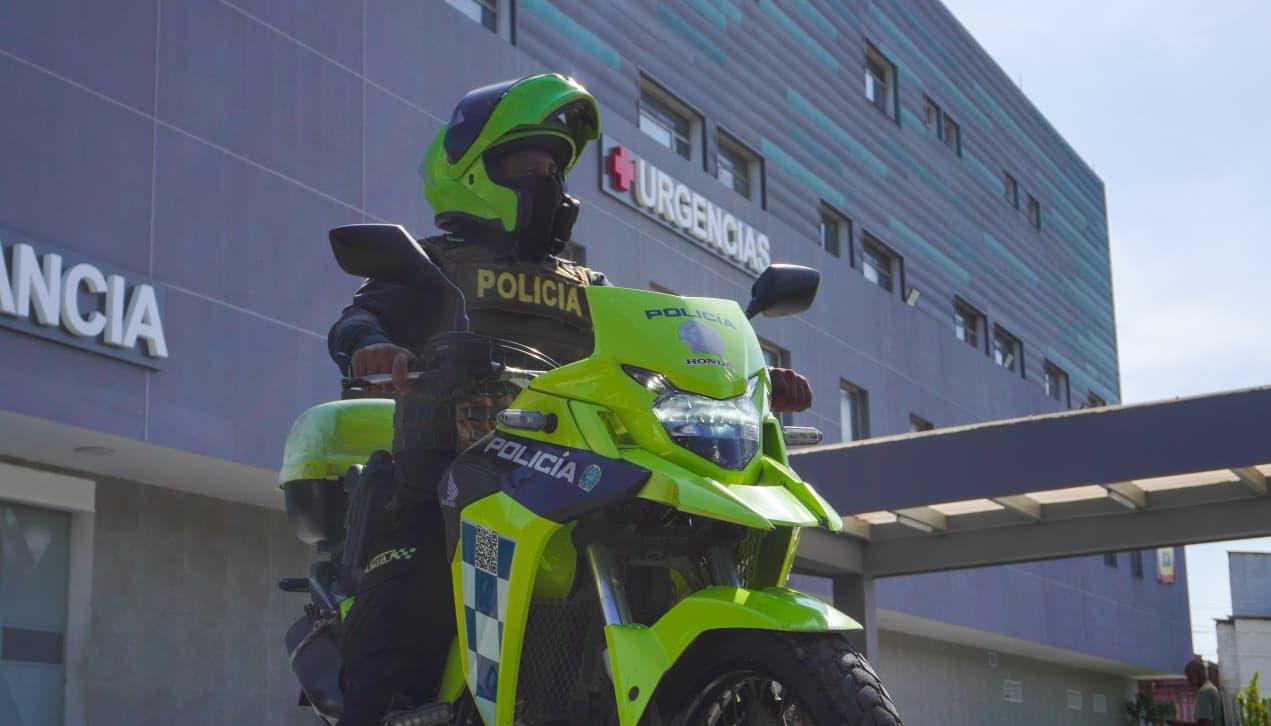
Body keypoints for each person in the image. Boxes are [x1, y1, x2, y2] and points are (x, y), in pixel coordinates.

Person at [327, 73, 814, 725]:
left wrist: (743, 379)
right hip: (446, 472)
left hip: (570, 473)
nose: (545, 182)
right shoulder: (433, 263)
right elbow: (360, 319)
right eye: (526, 165)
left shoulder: (591, 288)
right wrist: (373, 349)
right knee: (400, 613)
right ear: (472, 172)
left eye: (553, 169)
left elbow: (650, 358)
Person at [1170, 659, 1226, 726]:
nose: (1188, 679)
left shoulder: (1204, 692)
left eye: (1190, 675)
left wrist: (1180, 724)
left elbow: (1205, 724)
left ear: (1200, 672)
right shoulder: (1211, 688)